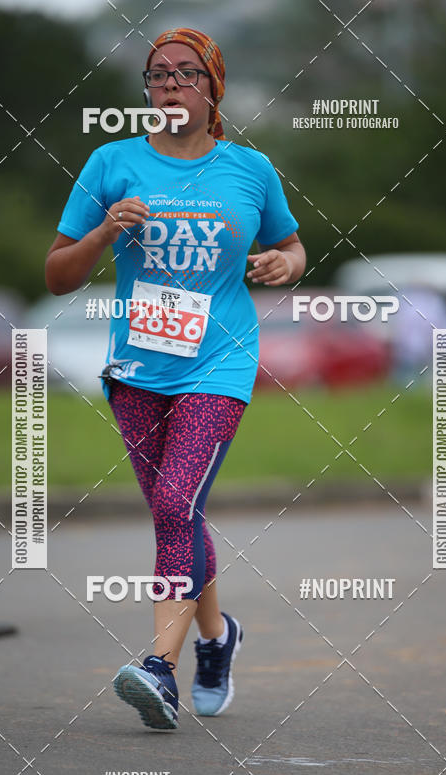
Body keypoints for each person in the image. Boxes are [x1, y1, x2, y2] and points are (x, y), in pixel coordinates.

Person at [45, 27, 306, 730]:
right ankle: (218, 637)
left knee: (173, 501)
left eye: (187, 73)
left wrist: (285, 265)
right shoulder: (111, 163)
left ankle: (159, 668)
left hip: (220, 361)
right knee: (177, 512)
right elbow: (57, 275)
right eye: (158, 74)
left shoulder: (250, 169)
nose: (170, 84)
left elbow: (291, 245)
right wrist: (104, 232)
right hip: (137, 367)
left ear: (213, 86)